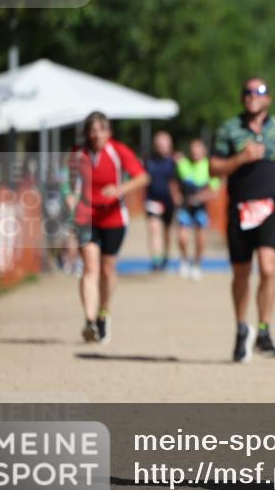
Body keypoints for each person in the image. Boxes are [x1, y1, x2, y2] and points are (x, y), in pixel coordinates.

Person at [210, 78, 275, 362]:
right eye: (247, 91)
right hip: (239, 209)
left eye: (258, 91)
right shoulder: (229, 129)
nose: (252, 95)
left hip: (269, 208)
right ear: (243, 98)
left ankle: (264, 329)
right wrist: (241, 158)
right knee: (241, 273)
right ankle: (242, 329)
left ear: (268, 99)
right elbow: (214, 167)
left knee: (267, 267)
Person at [67, 111, 149, 344]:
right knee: (90, 269)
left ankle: (104, 312)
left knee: (107, 270)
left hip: (113, 217)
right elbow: (69, 181)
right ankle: (89, 321)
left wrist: (120, 190)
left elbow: (142, 177)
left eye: (99, 130)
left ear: (108, 131)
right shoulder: (78, 153)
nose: (95, 135)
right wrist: (70, 196)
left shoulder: (118, 150)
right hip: (86, 216)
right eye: (91, 131)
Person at [176, 139, 220, 281]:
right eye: (193, 150)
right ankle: (184, 260)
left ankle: (196, 264)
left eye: (198, 150)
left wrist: (200, 198)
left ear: (203, 151)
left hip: (201, 208)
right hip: (186, 207)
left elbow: (215, 191)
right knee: (182, 238)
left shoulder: (209, 167)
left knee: (200, 239)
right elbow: (173, 181)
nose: (195, 153)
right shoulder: (183, 165)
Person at [143, 130, 180, 272]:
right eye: (159, 144)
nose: (161, 146)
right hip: (153, 200)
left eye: (164, 144)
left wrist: (177, 194)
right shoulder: (149, 161)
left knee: (166, 232)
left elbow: (178, 181)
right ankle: (156, 261)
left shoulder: (175, 162)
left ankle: (165, 256)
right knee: (154, 229)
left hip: (169, 202)